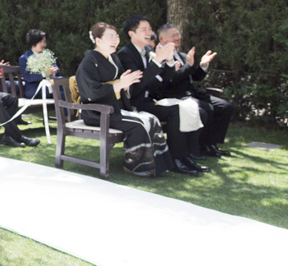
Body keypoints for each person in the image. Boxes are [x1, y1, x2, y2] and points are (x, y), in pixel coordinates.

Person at [75, 23, 180, 178]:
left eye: (116, 36)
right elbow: (91, 92)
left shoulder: (114, 58)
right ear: (98, 40)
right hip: (97, 112)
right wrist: (118, 85)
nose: (115, 40)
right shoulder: (88, 62)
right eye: (110, 36)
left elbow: (124, 85)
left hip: (114, 108)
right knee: (137, 125)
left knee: (151, 119)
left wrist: (125, 85)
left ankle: (158, 164)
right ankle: (135, 165)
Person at [118, 16, 206, 174]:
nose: (149, 32)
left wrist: (170, 61)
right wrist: (157, 62)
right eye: (144, 29)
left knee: (186, 108)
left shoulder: (148, 51)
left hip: (152, 99)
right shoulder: (125, 54)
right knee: (175, 111)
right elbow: (138, 84)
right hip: (135, 103)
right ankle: (177, 159)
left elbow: (166, 76)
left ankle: (186, 156)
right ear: (132, 34)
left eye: (150, 29)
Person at [157, 24, 234, 158]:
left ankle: (211, 144)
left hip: (192, 94)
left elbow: (194, 77)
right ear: (162, 39)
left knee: (226, 107)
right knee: (207, 108)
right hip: (175, 96)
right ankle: (201, 146)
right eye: (173, 35)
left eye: (178, 34)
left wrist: (203, 65)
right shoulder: (160, 57)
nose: (178, 37)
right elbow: (170, 81)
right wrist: (188, 65)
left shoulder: (181, 55)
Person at [18, 29, 61, 99]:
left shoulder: (48, 55)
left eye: (44, 42)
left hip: (50, 83)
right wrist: (45, 73)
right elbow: (28, 77)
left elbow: (57, 70)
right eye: (41, 42)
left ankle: (68, 105)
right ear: (33, 42)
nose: (44, 45)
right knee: (60, 89)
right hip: (34, 88)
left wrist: (53, 71)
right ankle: (69, 106)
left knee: (64, 82)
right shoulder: (24, 58)